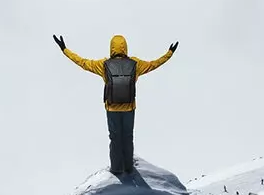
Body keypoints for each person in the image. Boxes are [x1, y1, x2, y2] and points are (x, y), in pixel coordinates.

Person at [54, 33, 177, 177]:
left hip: (111, 108)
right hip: (129, 107)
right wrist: (169, 53)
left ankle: (117, 169)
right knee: (128, 137)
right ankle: (128, 168)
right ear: (125, 48)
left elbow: (82, 62)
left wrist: (64, 50)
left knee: (115, 138)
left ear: (111, 48)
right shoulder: (135, 64)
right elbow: (154, 64)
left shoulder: (103, 65)